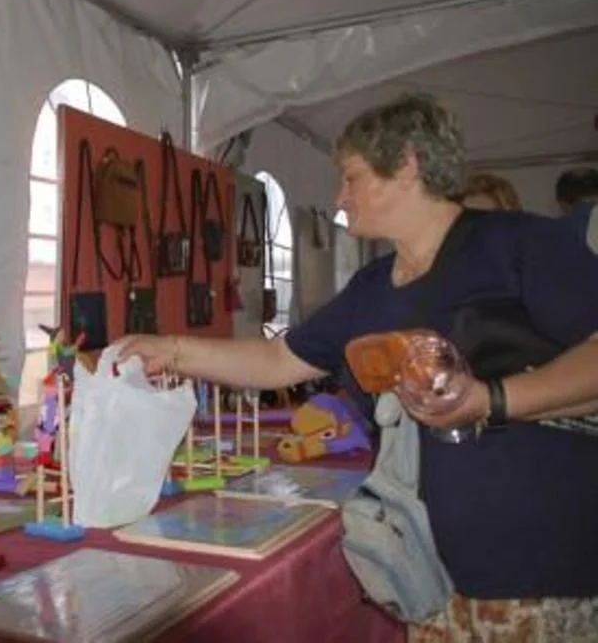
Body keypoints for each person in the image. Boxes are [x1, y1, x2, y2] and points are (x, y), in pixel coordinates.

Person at [120, 94, 598, 639]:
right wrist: (172, 351)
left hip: (541, 567)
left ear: (408, 166)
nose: (339, 197)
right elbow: (278, 359)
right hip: (432, 576)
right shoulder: (372, 287)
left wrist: (489, 398)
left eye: (352, 177)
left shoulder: (519, 245)